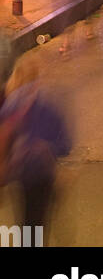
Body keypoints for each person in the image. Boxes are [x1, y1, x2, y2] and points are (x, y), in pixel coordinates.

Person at [0, 57, 72, 240]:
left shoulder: (11, 103)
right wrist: (49, 148)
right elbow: (65, 145)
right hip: (41, 176)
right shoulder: (49, 104)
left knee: (28, 225)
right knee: (34, 225)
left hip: (21, 174)